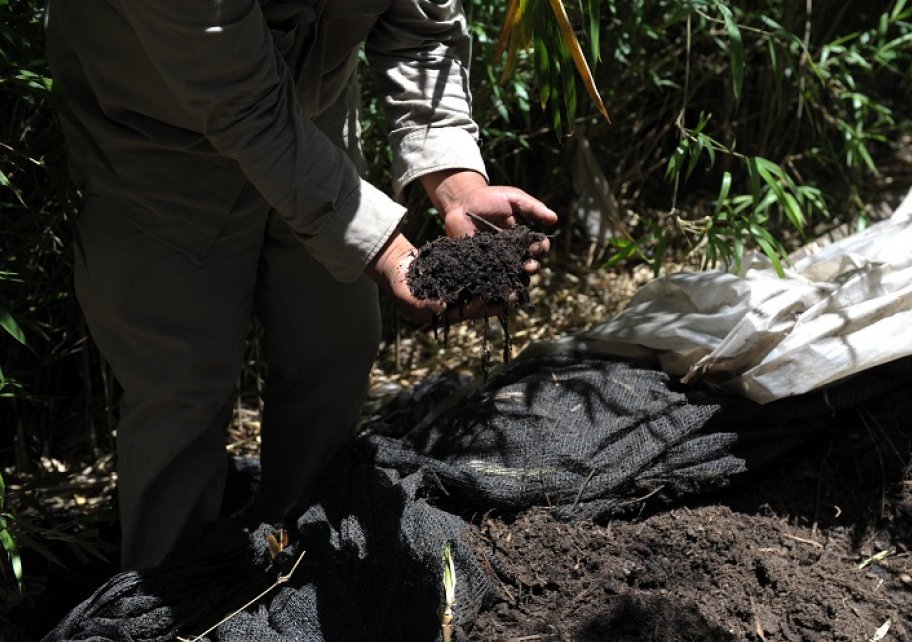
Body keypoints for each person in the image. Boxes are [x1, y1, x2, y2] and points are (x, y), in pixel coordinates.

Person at [45, 0, 557, 570]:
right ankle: (170, 605)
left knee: (336, 341)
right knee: (180, 389)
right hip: (153, 142)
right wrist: (389, 253)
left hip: (315, 115)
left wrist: (457, 184)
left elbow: (424, 31)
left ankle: (300, 549)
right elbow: (247, 106)